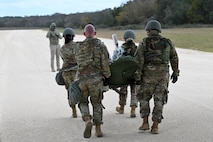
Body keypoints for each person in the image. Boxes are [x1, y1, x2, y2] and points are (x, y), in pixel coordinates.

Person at [135, 20, 180, 134]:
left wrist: (137, 76)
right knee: (159, 99)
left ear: (149, 30)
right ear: (159, 30)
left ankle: (145, 122)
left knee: (144, 98)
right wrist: (175, 72)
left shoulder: (144, 42)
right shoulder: (167, 42)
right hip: (163, 74)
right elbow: (174, 58)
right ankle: (155, 126)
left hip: (148, 75)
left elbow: (139, 60)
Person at [74, 24, 111, 138]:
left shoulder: (78, 47)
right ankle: (98, 129)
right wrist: (107, 76)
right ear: (95, 33)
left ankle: (87, 119)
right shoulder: (101, 46)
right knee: (97, 103)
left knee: (83, 102)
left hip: (81, 79)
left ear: (84, 34)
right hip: (95, 79)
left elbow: (77, 61)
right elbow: (105, 62)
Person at [115, 29, 138, 117]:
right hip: (134, 74)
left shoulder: (120, 49)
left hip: (124, 74)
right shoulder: (137, 49)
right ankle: (133, 109)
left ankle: (121, 108)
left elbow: (115, 60)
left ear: (124, 39)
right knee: (134, 91)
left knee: (123, 91)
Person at [59, 27, 78, 118]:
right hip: (76, 71)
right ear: (73, 37)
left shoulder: (62, 48)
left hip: (66, 72)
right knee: (80, 89)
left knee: (70, 91)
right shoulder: (77, 46)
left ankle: (73, 110)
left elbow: (63, 58)